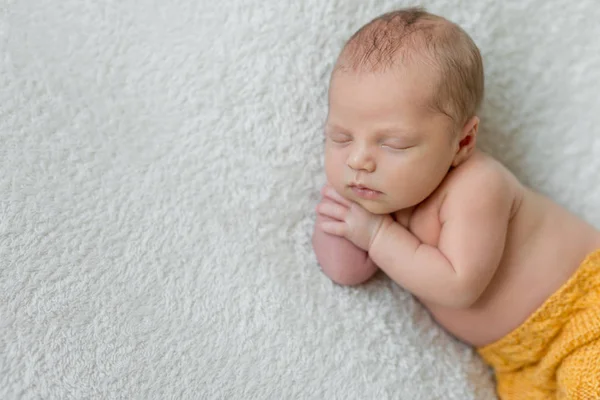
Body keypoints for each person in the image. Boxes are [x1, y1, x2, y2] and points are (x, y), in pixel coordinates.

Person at [311, 7, 600, 399]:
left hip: (582, 314)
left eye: (393, 143)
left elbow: (458, 286)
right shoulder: (381, 197)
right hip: (516, 363)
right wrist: (342, 213)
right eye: (340, 138)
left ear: (462, 142)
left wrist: (377, 235)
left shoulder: (477, 186)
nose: (358, 159)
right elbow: (346, 270)